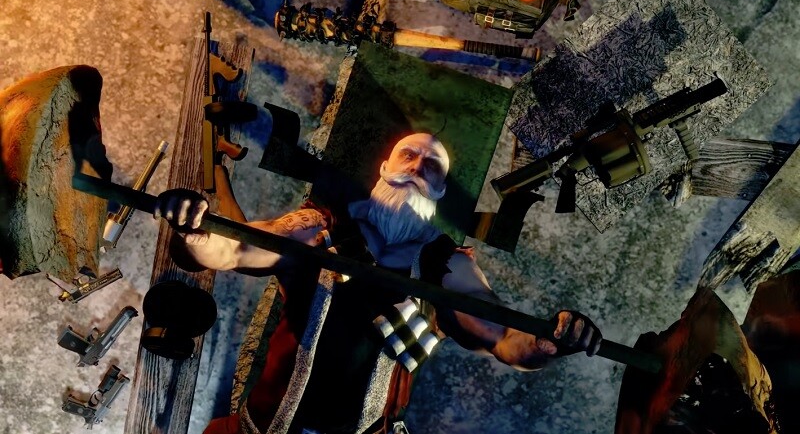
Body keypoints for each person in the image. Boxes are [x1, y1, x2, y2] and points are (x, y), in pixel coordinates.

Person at [155, 133, 603, 434]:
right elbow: (236, 250)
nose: (417, 167)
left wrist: (550, 343)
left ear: (439, 192)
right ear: (385, 167)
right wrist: (196, 231)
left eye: (432, 166)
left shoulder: (445, 266)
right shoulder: (319, 227)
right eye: (409, 155)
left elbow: (505, 340)